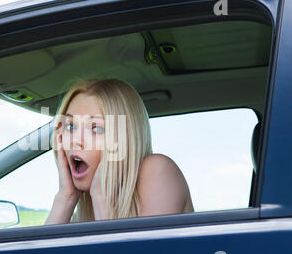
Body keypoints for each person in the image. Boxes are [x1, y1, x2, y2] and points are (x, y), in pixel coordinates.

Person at [45, 78, 193, 224]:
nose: (76, 141)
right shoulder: (86, 207)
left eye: (96, 128)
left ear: (124, 140)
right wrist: (66, 197)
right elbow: (41, 248)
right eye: (71, 126)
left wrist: (100, 197)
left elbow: (141, 249)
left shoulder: (158, 169)